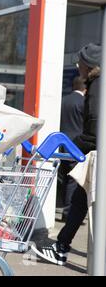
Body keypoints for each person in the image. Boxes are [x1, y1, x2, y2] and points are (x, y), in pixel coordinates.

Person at [33, 43, 101, 266]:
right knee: (82, 198)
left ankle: (62, 248)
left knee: (83, 199)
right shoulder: (96, 85)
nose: (77, 65)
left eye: (79, 61)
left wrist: (75, 146)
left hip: (95, 154)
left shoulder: (97, 87)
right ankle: (61, 247)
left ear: (88, 64)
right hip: (93, 153)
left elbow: (94, 130)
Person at [58, 76, 86, 219]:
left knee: (64, 179)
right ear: (84, 88)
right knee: (73, 180)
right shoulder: (84, 102)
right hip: (76, 146)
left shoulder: (63, 100)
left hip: (62, 145)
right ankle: (68, 212)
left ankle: (65, 207)